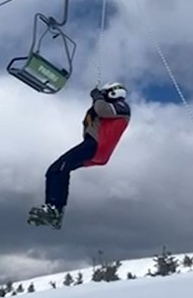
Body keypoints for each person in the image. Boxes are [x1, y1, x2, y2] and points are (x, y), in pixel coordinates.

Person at [28, 82, 131, 229]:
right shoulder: (109, 108)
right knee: (57, 170)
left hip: (95, 146)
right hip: (95, 148)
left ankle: (54, 208)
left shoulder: (122, 106)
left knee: (58, 168)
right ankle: (54, 210)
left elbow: (102, 109)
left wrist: (97, 97)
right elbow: (94, 116)